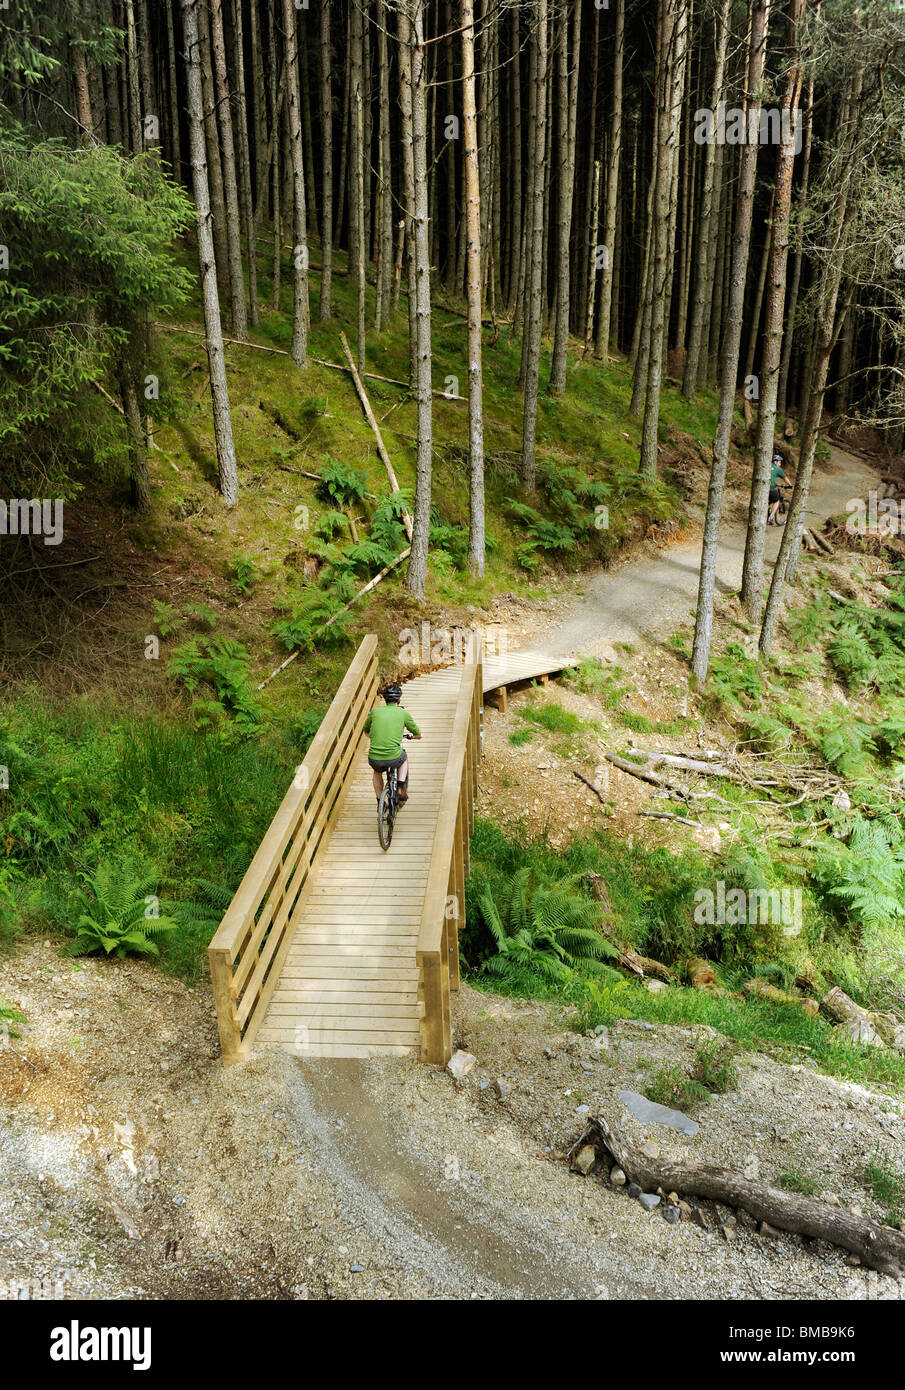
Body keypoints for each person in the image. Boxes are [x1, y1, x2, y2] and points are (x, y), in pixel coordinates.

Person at [364, 684, 421, 804]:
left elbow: (366, 730)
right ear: (399, 699)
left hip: (375, 758)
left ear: (385, 699)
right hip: (394, 757)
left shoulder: (375, 712)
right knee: (404, 758)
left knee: (377, 772)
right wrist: (416, 737)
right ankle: (400, 787)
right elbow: (417, 732)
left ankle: (380, 801)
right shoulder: (403, 713)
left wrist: (374, 737)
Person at [768, 452, 790, 526]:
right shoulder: (777, 469)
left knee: (770, 500)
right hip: (770, 489)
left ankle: (768, 512)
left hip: (764, 488)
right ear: (775, 461)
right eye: (779, 462)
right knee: (776, 501)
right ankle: (771, 517)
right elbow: (785, 478)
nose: (780, 464)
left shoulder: (767, 466)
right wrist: (790, 485)